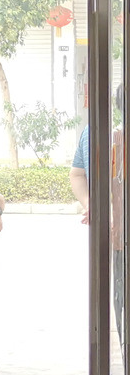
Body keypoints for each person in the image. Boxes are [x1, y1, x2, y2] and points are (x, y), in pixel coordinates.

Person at [69, 84, 125, 343]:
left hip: (117, 238)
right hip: (118, 241)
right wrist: (93, 203)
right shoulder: (98, 135)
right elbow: (78, 173)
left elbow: (77, 174)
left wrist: (93, 204)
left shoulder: (98, 133)